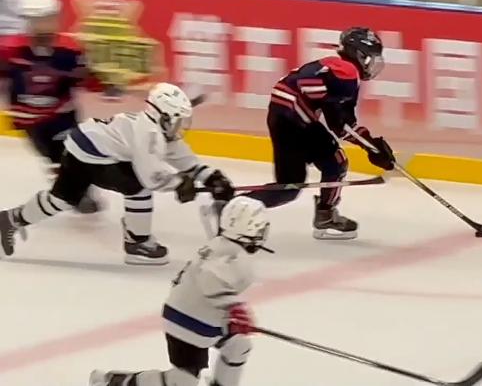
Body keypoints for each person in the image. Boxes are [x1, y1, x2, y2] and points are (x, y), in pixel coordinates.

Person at [0, 82, 235, 265]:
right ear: (163, 116)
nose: (180, 126)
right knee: (138, 188)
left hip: (80, 146)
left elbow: (186, 161)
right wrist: (179, 184)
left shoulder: (156, 128)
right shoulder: (149, 133)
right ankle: (137, 243)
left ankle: (10, 219)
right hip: (94, 156)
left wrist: (211, 177)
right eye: (176, 120)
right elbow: (151, 176)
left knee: (61, 199)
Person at [208, 27, 395, 241]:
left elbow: (341, 121)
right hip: (293, 122)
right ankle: (232, 209)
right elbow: (340, 123)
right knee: (291, 186)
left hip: (289, 118)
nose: (372, 64)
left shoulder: (335, 67)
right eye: (371, 58)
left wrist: (371, 145)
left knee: (331, 164)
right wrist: (372, 147)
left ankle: (324, 215)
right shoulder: (347, 72)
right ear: (360, 55)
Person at [90, 196, 270, 386]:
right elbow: (209, 278)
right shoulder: (236, 257)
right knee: (183, 381)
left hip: (197, 317)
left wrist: (231, 314)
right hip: (188, 323)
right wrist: (236, 309)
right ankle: (115, 382)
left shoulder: (220, 244)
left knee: (239, 346)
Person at [0, 0, 109, 213]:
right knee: (53, 157)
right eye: (39, 20)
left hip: (63, 116)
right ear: (27, 21)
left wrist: (102, 82)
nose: (45, 25)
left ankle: (78, 191)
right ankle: (71, 191)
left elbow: (87, 79)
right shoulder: (9, 50)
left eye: (49, 18)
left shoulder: (69, 50)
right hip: (30, 122)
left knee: (73, 152)